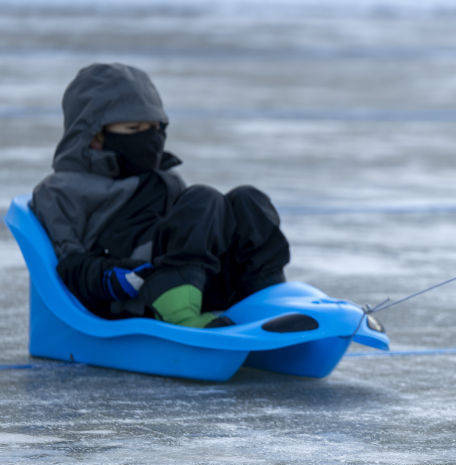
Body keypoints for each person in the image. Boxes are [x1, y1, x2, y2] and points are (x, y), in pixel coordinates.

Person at [31, 62, 290, 328]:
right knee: (204, 198)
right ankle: (176, 308)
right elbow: (66, 262)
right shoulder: (60, 191)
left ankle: (263, 295)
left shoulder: (164, 180)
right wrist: (108, 277)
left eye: (155, 127)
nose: (151, 138)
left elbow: (189, 241)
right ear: (94, 136)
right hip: (128, 291)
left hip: (189, 281)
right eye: (134, 130)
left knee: (248, 201)